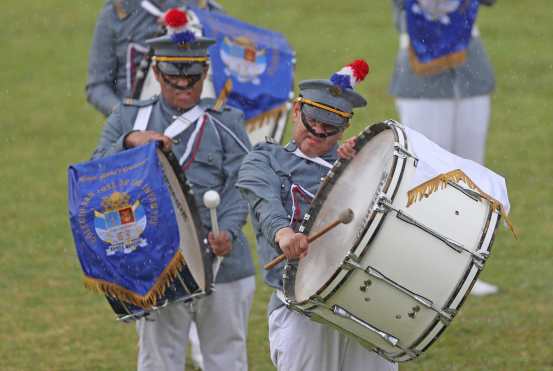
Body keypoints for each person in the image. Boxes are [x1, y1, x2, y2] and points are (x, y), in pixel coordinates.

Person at [91, 11, 255, 370]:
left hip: (224, 265)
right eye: (173, 78)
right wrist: (130, 140)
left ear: (205, 73)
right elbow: (96, 172)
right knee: (159, 362)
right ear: (156, 73)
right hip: (158, 266)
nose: (184, 86)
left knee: (227, 360)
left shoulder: (226, 123)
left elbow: (243, 183)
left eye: (192, 79)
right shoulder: (128, 118)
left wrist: (226, 229)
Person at [237, 60, 397, 371]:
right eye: (313, 121)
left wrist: (365, 166)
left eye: (330, 128)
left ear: (345, 127)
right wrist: (284, 234)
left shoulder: (357, 166)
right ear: (297, 111)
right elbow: (264, 202)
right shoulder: (265, 159)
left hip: (360, 304)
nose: (319, 132)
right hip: (300, 306)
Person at [389, 0, 498, 296]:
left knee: (471, 176)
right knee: (427, 177)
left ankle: (463, 272)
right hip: (420, 77)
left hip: (469, 69)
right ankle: (420, 273)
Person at [86, 0, 223, 117]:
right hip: (135, 132)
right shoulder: (115, 13)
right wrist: (125, 117)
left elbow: (230, 81)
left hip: (202, 126)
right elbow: (98, 86)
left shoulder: (210, 13)